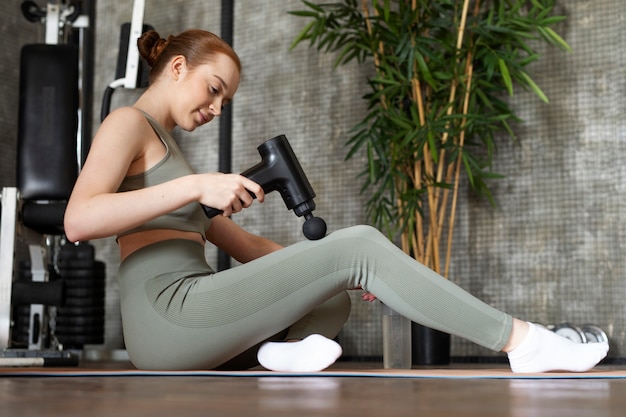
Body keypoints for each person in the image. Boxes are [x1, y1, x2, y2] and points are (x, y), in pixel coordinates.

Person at [64, 29, 609, 372]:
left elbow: (247, 244)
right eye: (213, 88)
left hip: (191, 310)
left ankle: (276, 358)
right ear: (177, 68)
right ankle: (524, 342)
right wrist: (195, 186)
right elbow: (78, 220)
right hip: (166, 315)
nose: (217, 106)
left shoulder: (169, 153)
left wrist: (347, 272)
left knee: (332, 299)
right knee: (361, 243)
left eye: (226, 100)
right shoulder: (127, 122)